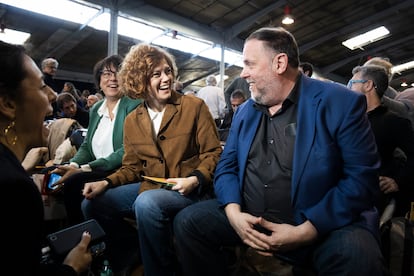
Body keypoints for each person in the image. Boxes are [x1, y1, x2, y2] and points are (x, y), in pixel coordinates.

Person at [173, 27, 387, 276]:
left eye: (250, 64)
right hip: (249, 217)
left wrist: (308, 230)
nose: (244, 73)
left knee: (359, 257)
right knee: (188, 223)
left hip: (316, 223)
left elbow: (361, 178)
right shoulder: (244, 111)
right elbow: (226, 166)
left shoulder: (339, 102)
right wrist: (233, 213)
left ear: (280, 63)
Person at [80, 43, 222, 274]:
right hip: (152, 186)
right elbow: (131, 168)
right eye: (156, 74)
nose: (166, 78)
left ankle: (160, 270)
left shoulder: (193, 106)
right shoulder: (133, 120)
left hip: (189, 189)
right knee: (92, 203)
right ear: (140, 80)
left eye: (167, 71)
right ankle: (130, 252)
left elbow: (214, 153)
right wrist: (105, 182)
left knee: (147, 203)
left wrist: (195, 179)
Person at [0, 40, 92, 275]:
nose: (53, 95)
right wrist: (71, 267)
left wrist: (21, 168)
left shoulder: (13, 175)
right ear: (8, 103)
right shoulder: (14, 189)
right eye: (42, 87)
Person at [51, 54, 142, 225]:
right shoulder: (96, 109)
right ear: (99, 80)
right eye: (107, 74)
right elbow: (86, 145)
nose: (113, 79)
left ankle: (83, 239)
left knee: (74, 182)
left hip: (120, 171)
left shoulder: (134, 105)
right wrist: (73, 164)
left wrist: (84, 169)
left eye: (118, 73)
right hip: (95, 168)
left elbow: (127, 150)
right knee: (54, 174)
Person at [348, 64, 414, 217]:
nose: (348, 88)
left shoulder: (393, 121)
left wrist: (398, 181)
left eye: (352, 84)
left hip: (370, 204)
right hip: (345, 195)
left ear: (368, 85)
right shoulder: (350, 119)